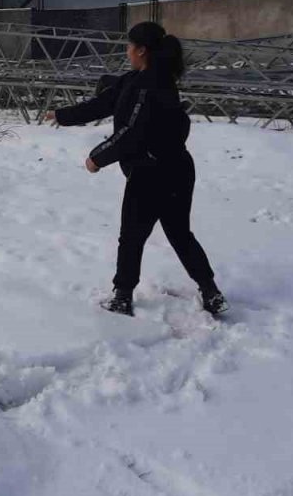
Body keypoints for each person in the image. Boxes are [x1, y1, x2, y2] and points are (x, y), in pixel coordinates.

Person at [46, 22, 225, 319]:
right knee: (180, 234)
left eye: (129, 47)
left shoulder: (149, 85)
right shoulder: (140, 79)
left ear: (142, 50)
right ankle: (210, 291)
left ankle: (122, 297)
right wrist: (63, 115)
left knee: (132, 237)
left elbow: (133, 133)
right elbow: (102, 103)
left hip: (153, 171)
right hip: (177, 169)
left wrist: (97, 158)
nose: (126, 52)